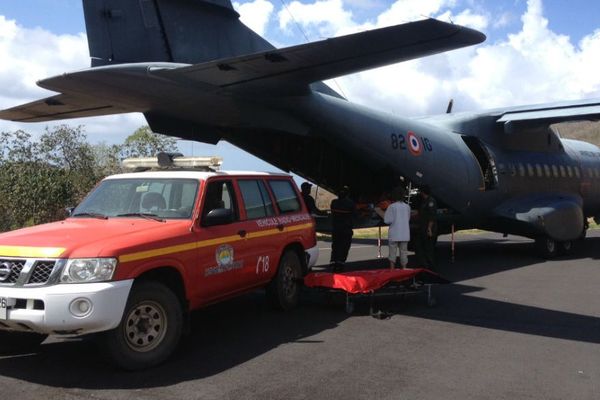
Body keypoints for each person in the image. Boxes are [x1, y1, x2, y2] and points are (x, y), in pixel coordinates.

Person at [383, 187, 411, 269]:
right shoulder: (407, 207)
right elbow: (408, 219)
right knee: (404, 252)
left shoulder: (392, 207)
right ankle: (404, 267)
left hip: (394, 232)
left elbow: (387, 220)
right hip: (405, 233)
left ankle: (392, 268)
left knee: (392, 251)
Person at [329, 186, 356, 271]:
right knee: (344, 247)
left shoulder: (334, 202)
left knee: (335, 246)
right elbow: (355, 214)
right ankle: (340, 264)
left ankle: (333, 262)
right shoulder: (350, 203)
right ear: (347, 194)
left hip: (336, 229)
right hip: (346, 229)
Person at [415, 185, 438, 271]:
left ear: (423, 192)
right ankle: (425, 266)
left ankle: (432, 269)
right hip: (423, 228)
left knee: (429, 250)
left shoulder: (430, 201)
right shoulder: (424, 201)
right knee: (419, 246)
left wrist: (429, 228)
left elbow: (432, 216)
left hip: (428, 229)